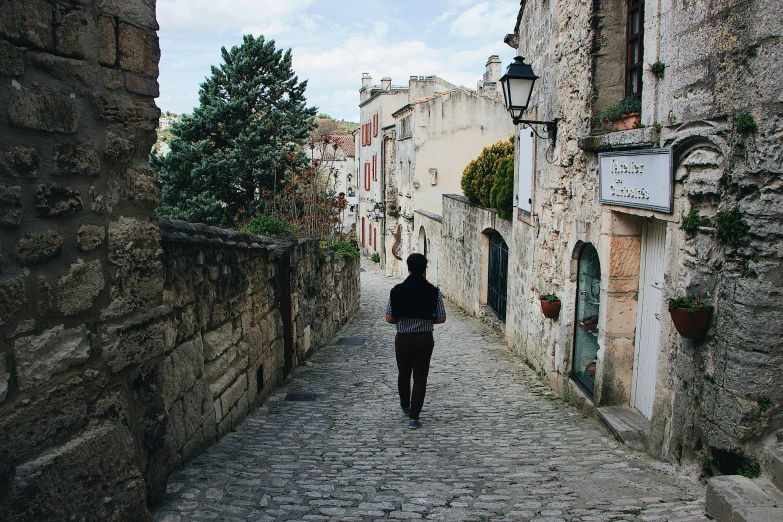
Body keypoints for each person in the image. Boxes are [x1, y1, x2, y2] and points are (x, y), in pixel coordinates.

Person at [385, 253, 446, 429]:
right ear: (424, 269)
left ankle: (405, 405)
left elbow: (389, 318)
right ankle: (414, 418)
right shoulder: (433, 291)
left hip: (403, 338)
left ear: (409, 268)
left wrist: (403, 321)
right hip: (424, 339)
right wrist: (426, 320)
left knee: (403, 373)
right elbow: (441, 318)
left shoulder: (396, 291)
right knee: (420, 377)